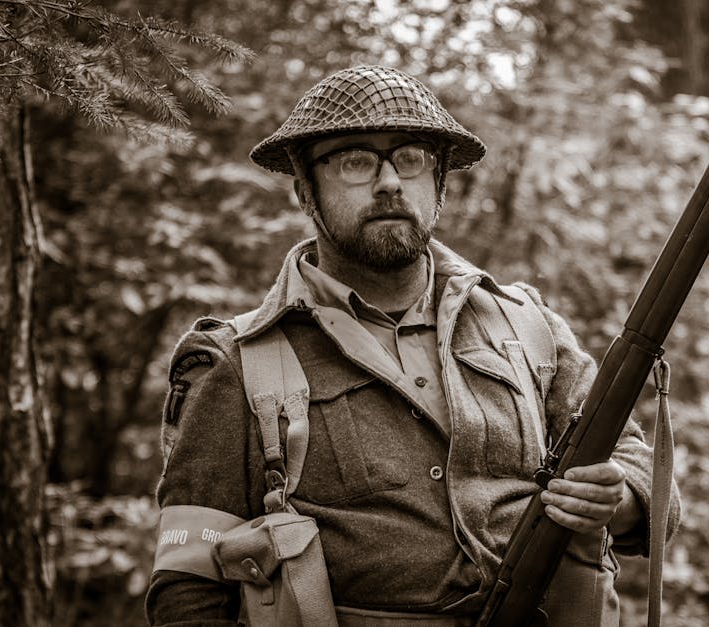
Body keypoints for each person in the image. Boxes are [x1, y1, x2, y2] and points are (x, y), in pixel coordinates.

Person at [146, 64, 680, 626]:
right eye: (355, 161)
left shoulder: (528, 326)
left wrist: (618, 501)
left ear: (439, 186)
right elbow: (187, 586)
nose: (389, 182)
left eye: (411, 158)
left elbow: (650, 483)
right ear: (306, 192)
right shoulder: (237, 361)